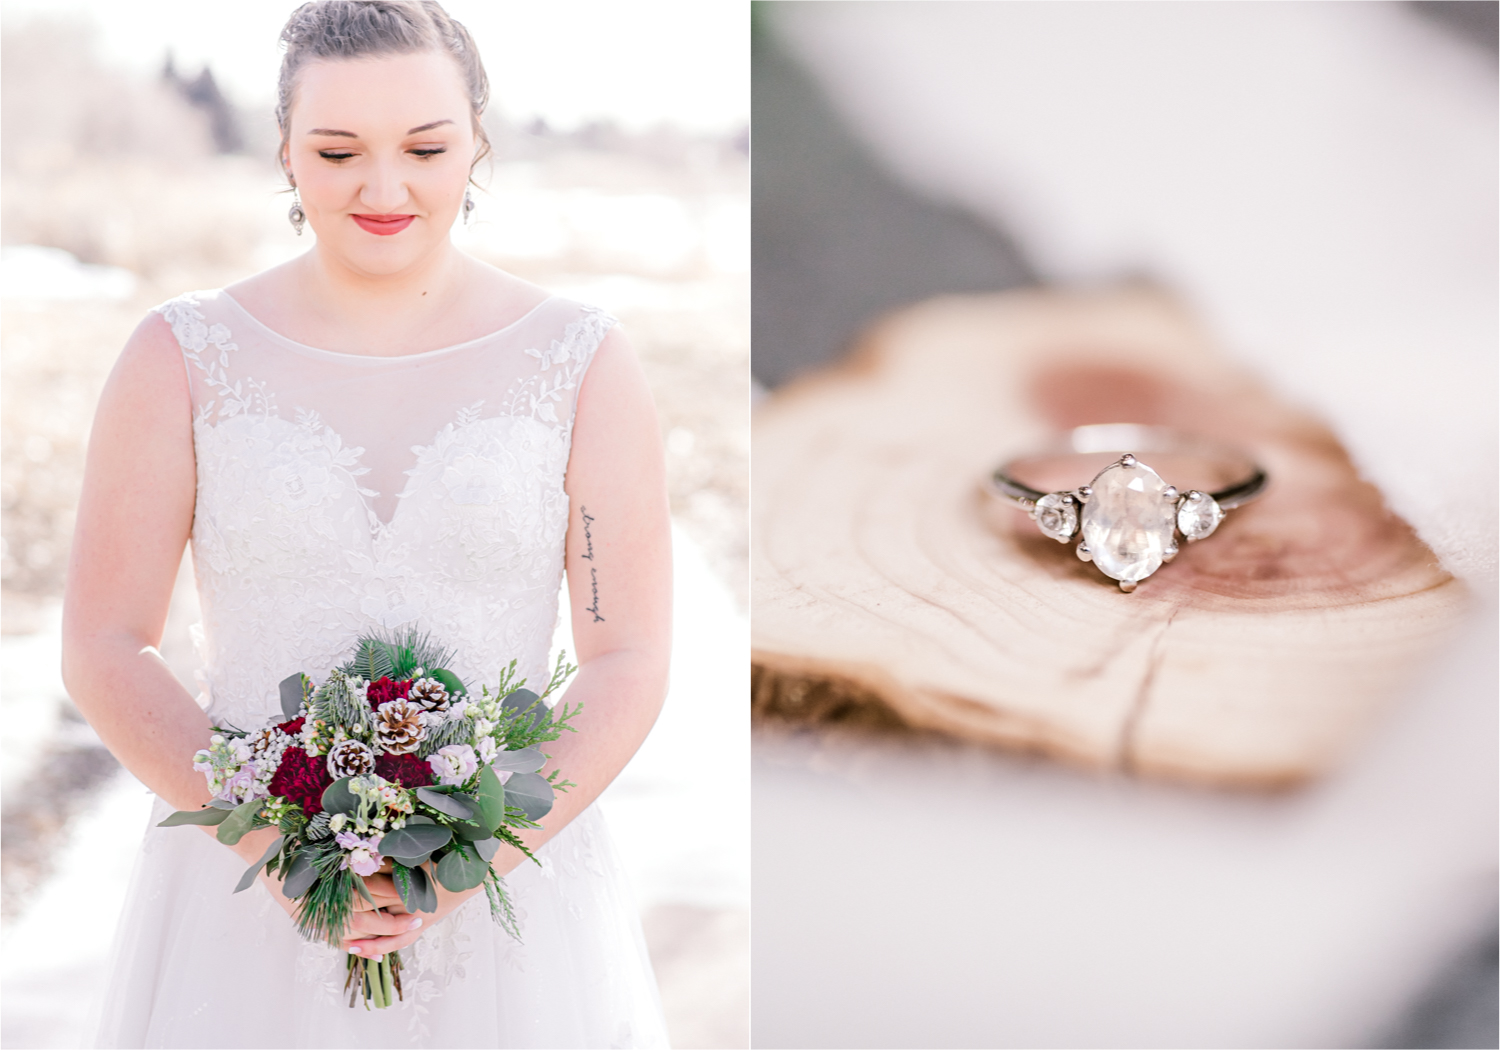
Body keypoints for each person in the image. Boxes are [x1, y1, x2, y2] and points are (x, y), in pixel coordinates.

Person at [60, 2, 672, 1046]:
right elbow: (106, 645)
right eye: (337, 150)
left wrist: (478, 854)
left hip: (513, 909)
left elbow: (628, 656)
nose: (383, 189)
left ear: (476, 140)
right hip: (244, 905)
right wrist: (278, 841)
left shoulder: (582, 360)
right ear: (285, 152)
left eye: (425, 148)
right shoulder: (178, 356)